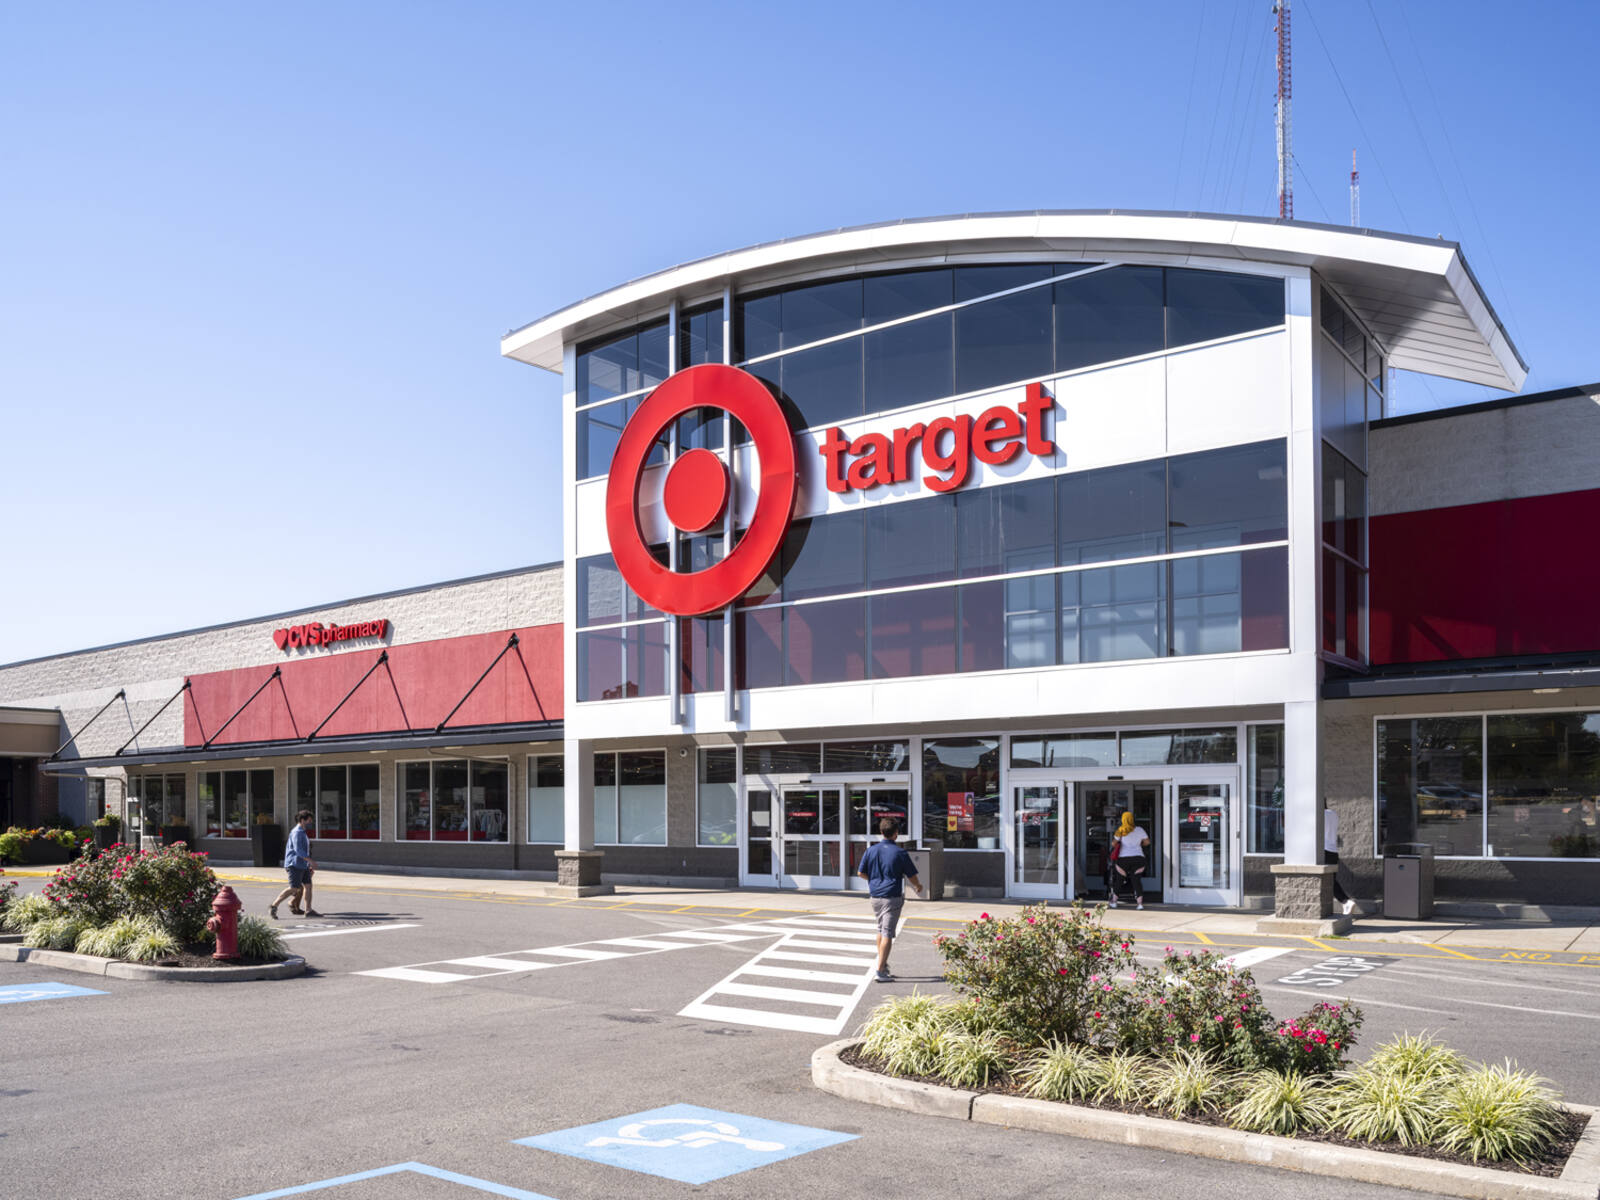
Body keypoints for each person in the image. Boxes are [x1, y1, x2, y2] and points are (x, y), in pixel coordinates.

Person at [855, 817, 924, 982]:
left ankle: (883, 964)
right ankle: (880, 970)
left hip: (875, 896)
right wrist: (918, 886)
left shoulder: (871, 851)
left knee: (880, 929)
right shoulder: (900, 853)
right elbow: (911, 875)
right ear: (896, 834)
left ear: (881, 832)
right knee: (887, 933)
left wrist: (873, 881)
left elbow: (860, 873)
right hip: (891, 896)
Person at [270, 810, 321, 919]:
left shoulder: (302, 832)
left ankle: (308, 910)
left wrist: (308, 863)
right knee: (294, 888)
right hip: (295, 864)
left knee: (308, 886)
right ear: (302, 820)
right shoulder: (297, 832)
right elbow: (298, 850)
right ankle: (274, 906)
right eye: (309, 820)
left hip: (303, 864)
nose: (310, 823)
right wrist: (310, 861)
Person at [1107, 810, 1149, 911]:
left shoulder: (1121, 830)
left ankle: (1114, 902)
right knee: (1136, 881)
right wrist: (1139, 845)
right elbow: (1147, 842)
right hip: (1138, 859)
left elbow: (1113, 844)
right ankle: (1139, 904)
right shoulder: (1139, 830)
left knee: (1119, 881)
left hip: (1123, 860)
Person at [1325, 806, 1355, 915]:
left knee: (1328, 881)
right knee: (1331, 880)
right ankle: (1345, 902)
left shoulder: (1318, 815)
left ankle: (1345, 901)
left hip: (1323, 851)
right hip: (1333, 851)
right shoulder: (1333, 814)